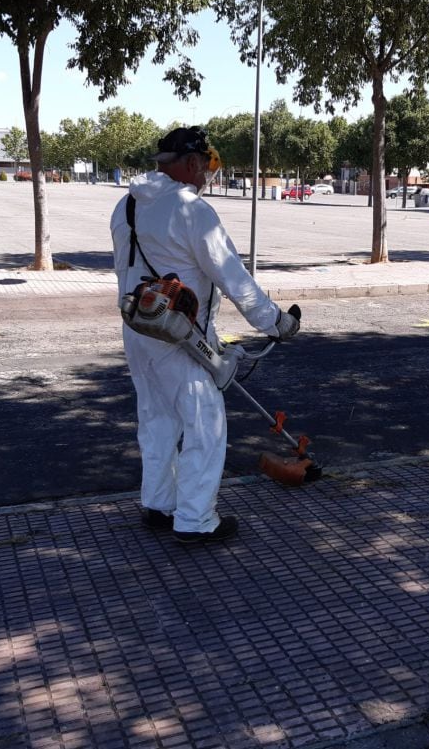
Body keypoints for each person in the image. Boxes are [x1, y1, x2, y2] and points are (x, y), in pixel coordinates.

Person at [110, 127, 300, 544]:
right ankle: (196, 521)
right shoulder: (191, 210)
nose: (207, 178)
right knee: (204, 423)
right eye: (207, 167)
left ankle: (159, 504)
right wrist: (276, 323)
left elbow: (125, 271)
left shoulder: (125, 206)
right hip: (179, 333)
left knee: (157, 419)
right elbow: (233, 278)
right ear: (193, 163)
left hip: (140, 328)